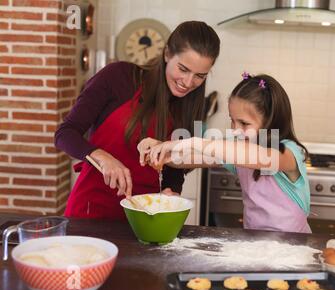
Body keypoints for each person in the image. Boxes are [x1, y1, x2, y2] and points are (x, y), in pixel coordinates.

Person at [55, 21, 220, 219]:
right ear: (167, 54)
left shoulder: (190, 104)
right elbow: (65, 134)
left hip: (143, 215)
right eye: (183, 69)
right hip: (91, 208)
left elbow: (173, 164)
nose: (188, 82)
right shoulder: (118, 77)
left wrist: (170, 191)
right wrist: (103, 157)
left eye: (199, 76)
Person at [138, 73, 311, 233]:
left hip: (292, 246)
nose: (235, 130)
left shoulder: (287, 153)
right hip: (256, 243)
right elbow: (190, 158)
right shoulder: (237, 150)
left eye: (244, 123)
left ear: (271, 122)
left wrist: (187, 142)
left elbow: (260, 157)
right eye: (232, 120)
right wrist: (164, 149)